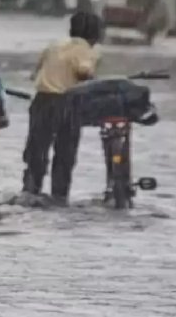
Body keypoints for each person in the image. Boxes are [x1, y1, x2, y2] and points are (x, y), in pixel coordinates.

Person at [21, 12, 103, 205]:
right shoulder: (86, 50)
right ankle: (59, 195)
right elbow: (84, 72)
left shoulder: (53, 45)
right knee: (65, 151)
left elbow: (36, 73)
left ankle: (30, 189)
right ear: (95, 34)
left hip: (41, 101)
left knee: (36, 149)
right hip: (67, 102)